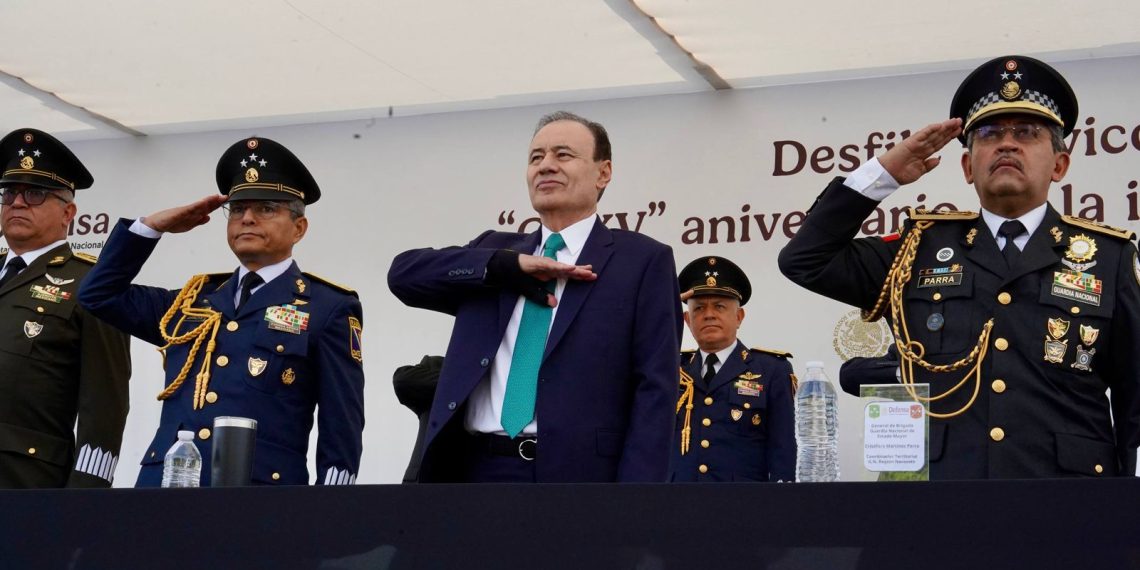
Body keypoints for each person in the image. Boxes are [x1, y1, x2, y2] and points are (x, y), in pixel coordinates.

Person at [779, 55, 1140, 479]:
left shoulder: (1109, 257)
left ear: (1059, 164)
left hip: (1071, 500)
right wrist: (884, 175)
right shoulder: (918, 248)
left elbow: (1135, 396)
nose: (1007, 144)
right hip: (944, 501)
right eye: (989, 134)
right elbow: (805, 260)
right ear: (968, 167)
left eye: (1027, 133)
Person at [388, 111, 682, 483]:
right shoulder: (495, 251)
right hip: (475, 472)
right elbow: (404, 275)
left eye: (563, 155)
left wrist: (637, 500)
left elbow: (655, 390)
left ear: (603, 173)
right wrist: (504, 266)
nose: (545, 166)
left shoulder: (642, 261)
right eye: (536, 157)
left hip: (579, 480)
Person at [78, 137, 364, 486]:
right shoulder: (191, 300)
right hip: (165, 489)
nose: (247, 219)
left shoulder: (327, 307)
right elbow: (97, 295)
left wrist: (331, 506)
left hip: (260, 496)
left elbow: (341, 424)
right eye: (238, 209)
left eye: (266, 209)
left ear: (299, 228)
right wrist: (151, 227)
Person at [0, 128, 131, 488]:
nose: (17, 203)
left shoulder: (92, 285)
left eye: (35, 194)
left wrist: (84, 501)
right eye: (9, 192)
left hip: (26, 485)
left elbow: (105, 408)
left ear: (68, 212)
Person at [671, 256, 795, 482]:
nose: (709, 314)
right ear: (687, 320)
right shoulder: (671, 369)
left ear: (738, 317)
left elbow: (784, 449)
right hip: (678, 499)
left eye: (719, 306)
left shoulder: (771, 370)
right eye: (699, 308)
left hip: (743, 501)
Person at [392, 355, 444, 483]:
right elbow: (402, 380)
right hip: (425, 480)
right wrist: (463, 381)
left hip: (476, 482)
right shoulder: (438, 364)